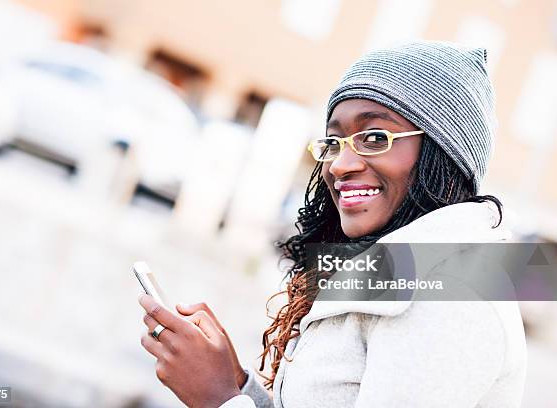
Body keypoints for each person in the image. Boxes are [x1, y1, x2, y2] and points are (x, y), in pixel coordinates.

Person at [138, 41, 527, 407]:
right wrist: (237, 384)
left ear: (444, 156)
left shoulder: (453, 298)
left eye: (375, 137)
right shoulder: (399, 270)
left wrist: (218, 397)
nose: (340, 165)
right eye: (334, 142)